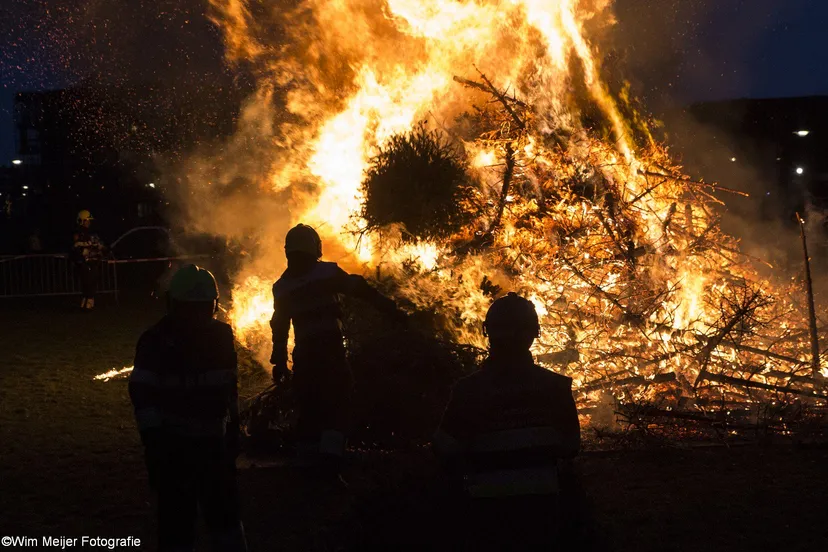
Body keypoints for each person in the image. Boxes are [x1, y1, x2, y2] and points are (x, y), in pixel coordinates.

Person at [433, 292, 582, 551]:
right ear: (534, 334)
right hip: (543, 509)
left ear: (488, 333)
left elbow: (444, 448)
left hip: (485, 511)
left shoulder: (468, 390)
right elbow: (571, 446)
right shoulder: (555, 387)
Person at [129, 264, 248, 552]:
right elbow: (143, 392)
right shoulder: (213, 337)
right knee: (206, 519)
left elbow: (142, 393)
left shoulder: (157, 339)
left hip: (189, 446)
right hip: (186, 446)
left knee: (193, 520)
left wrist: (153, 441)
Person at [270, 223, 406, 471]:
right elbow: (359, 289)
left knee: (309, 407)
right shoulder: (325, 274)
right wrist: (390, 309)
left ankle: (306, 465)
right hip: (330, 351)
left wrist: (278, 361)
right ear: (315, 249)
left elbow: (279, 327)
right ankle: (331, 462)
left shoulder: (282, 287)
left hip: (304, 356)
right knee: (338, 401)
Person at [72, 210, 105, 310]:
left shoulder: (91, 234)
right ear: (82, 221)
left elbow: (100, 246)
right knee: (88, 283)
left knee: (91, 282)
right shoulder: (78, 234)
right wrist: (91, 246)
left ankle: (87, 302)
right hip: (84, 263)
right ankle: (88, 302)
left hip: (92, 262)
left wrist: (100, 247)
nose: (89, 223)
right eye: (87, 220)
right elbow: (77, 247)